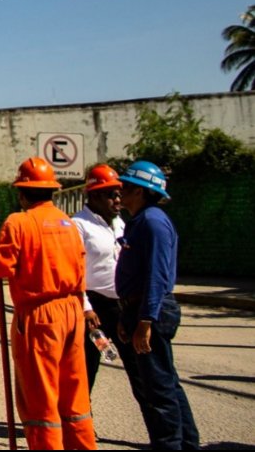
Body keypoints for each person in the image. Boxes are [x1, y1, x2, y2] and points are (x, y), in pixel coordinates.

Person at [0, 157, 95, 450]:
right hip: (73, 311)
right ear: (51, 191)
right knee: (75, 397)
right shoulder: (69, 223)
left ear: (22, 192)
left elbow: (0, 267)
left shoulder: (19, 223)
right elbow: (81, 270)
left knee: (40, 401)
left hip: (39, 317)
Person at [115, 161, 200, 450]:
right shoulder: (141, 221)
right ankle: (187, 444)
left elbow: (156, 275)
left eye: (125, 187)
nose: (119, 192)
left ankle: (170, 445)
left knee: (159, 391)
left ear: (139, 191)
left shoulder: (152, 222)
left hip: (150, 311)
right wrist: (127, 315)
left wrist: (145, 320)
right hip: (138, 309)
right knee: (165, 384)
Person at [73, 163, 126, 391]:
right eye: (110, 195)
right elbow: (73, 270)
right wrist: (85, 307)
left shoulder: (120, 223)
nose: (116, 200)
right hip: (94, 308)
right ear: (93, 196)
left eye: (118, 194)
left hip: (122, 305)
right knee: (87, 367)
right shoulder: (79, 225)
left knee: (136, 365)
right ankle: (82, 422)